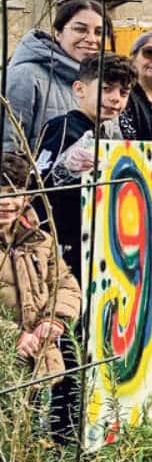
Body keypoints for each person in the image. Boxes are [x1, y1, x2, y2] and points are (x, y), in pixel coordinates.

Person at [36, 52, 134, 293]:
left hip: (92, 243)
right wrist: (65, 168)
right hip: (62, 244)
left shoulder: (106, 135)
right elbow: (37, 184)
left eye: (123, 93)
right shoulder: (63, 126)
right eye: (106, 89)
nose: (115, 98)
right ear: (79, 89)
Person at [0, 151, 81, 436]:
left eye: (14, 193)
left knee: (32, 433)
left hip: (40, 360)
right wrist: (12, 336)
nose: (6, 202)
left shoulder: (40, 240)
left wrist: (53, 319)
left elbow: (66, 284)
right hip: (7, 358)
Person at [3, 0, 105, 151]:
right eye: (80, 29)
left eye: (99, 32)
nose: (91, 39)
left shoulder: (104, 84)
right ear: (58, 33)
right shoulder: (25, 76)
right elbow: (8, 149)